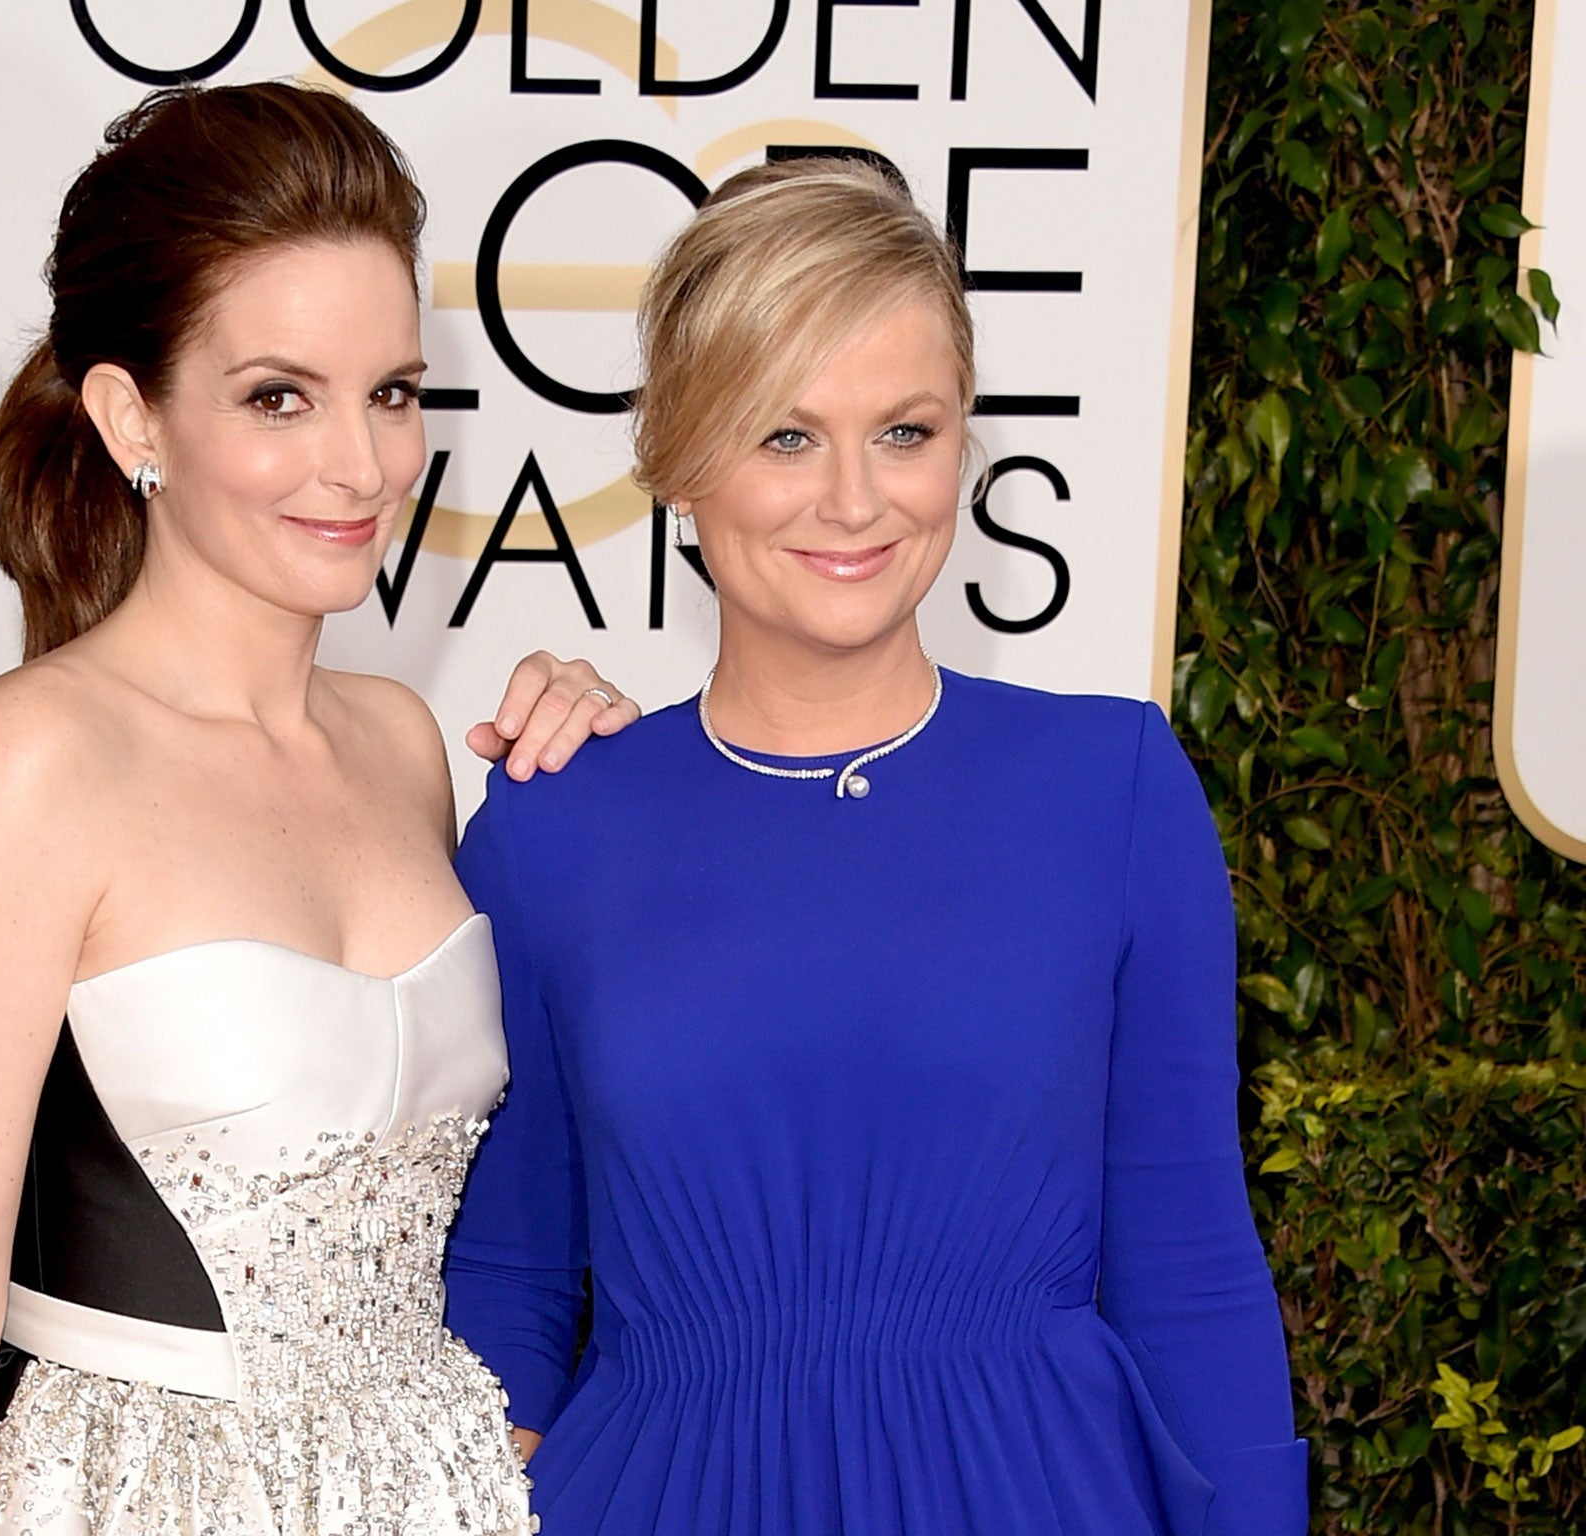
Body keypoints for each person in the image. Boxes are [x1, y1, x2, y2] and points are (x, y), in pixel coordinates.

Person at [442, 158, 1307, 1535]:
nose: (855, 500)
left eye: (904, 431)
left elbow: (1192, 1269)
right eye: (786, 437)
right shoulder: (555, 823)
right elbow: (512, 1272)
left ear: (964, 441)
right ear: (677, 459)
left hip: (1040, 1497)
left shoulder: (1113, 787)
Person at [0, 83, 638, 1536]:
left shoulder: (404, 741)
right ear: (128, 413)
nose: (361, 465)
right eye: (280, 397)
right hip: (139, 1495)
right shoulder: (29, 766)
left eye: (392, 392)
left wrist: (617, 785)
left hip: (434, 1488)